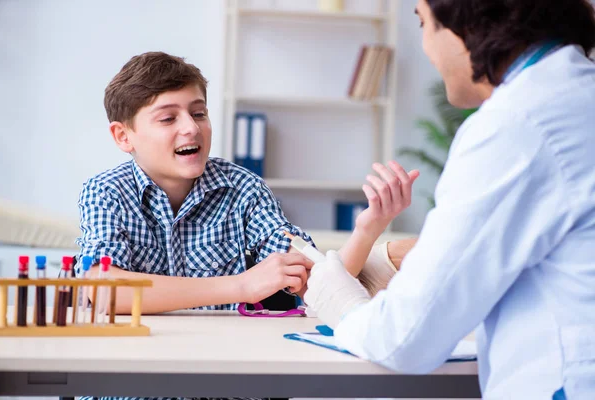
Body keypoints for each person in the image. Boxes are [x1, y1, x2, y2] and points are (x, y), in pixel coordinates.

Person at [304, 0, 595, 399]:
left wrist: (342, 303)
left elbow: (405, 339)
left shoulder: (516, 124)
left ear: (471, 20)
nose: (425, 46)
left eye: (424, 24)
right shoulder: (577, 94)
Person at [76, 51, 416, 315]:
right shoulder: (107, 192)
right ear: (123, 136)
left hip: (230, 375)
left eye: (199, 113)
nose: (191, 129)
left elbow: (316, 283)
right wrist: (240, 286)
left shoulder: (244, 189)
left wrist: (368, 228)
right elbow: (102, 290)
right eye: (168, 118)